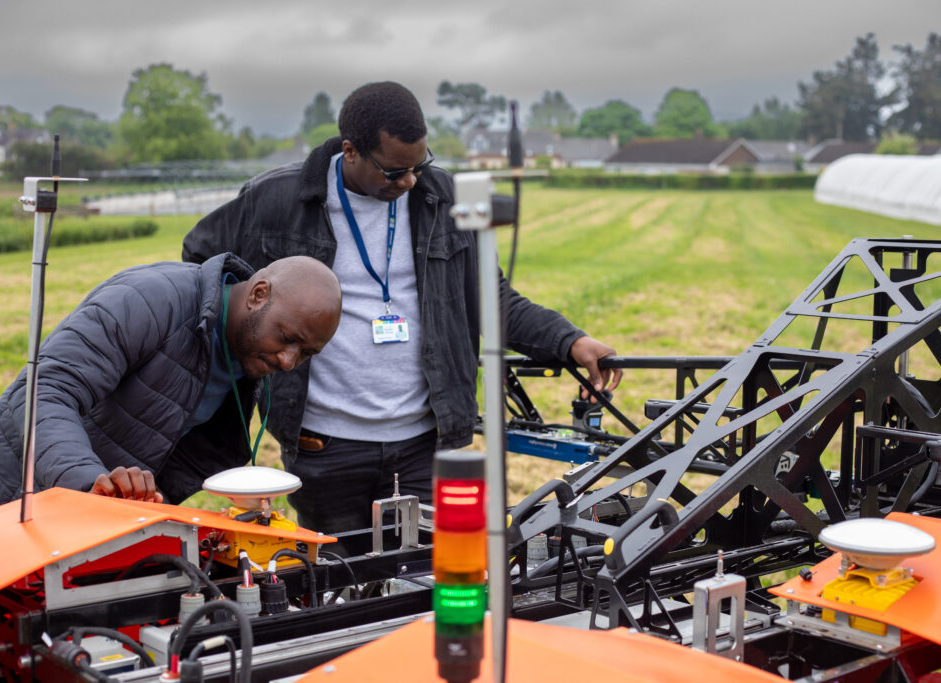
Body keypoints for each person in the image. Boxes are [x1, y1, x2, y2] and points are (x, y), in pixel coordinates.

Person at [182, 81, 622, 532]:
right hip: (325, 446)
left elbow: (492, 298)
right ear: (350, 151)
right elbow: (202, 263)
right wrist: (244, 351)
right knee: (341, 586)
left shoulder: (443, 198)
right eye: (394, 172)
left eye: (419, 165)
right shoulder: (275, 199)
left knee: (433, 581)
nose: (410, 181)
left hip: (425, 444)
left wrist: (570, 340)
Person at [0, 254, 342, 510]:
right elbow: (43, 392)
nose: (288, 360)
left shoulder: (250, 348)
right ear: (258, 295)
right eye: (288, 338)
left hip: (104, 504)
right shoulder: (149, 300)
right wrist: (91, 481)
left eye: (306, 353)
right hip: (22, 485)